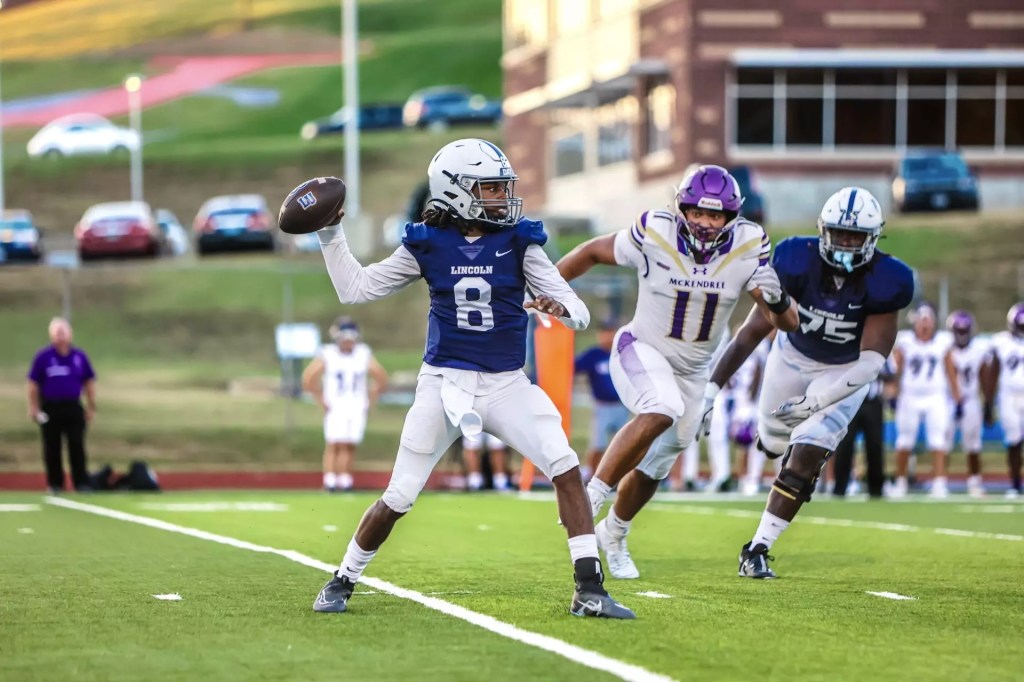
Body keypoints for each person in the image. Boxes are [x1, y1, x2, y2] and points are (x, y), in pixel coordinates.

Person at [310, 138, 634, 618]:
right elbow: (355, 288)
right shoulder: (426, 243)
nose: (501, 198)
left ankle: (589, 587)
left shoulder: (520, 241)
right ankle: (342, 579)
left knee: (565, 465)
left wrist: (558, 306)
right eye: (489, 188)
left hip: (506, 383)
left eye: (502, 188)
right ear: (456, 191)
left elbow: (580, 313)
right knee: (399, 494)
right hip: (445, 383)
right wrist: (329, 236)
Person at [556, 164, 799, 580]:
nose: (706, 223)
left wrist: (778, 302)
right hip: (641, 349)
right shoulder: (655, 231)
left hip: (694, 371)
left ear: (731, 217)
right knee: (660, 406)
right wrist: (548, 286)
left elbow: (788, 324)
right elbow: (593, 251)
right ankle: (591, 494)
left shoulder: (749, 244)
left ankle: (614, 531)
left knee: (660, 462)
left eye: (716, 215)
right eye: (698, 213)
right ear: (681, 209)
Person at [704, 186, 914, 579]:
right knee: (771, 441)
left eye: (857, 237)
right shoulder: (794, 260)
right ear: (823, 231)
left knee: (805, 458)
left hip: (844, 372)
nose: (848, 245)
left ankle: (758, 547)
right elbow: (751, 332)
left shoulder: (889, 279)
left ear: (873, 238)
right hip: (791, 358)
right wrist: (711, 389)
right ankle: (773, 442)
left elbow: (871, 362)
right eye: (841, 234)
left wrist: (820, 402)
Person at [302, 316, 388, 492]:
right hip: (336, 404)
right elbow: (309, 378)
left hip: (356, 405)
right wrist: (320, 399)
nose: (348, 342)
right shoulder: (328, 353)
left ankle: (345, 479)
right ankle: (330, 480)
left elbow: (381, 377)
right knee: (334, 442)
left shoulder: (362, 353)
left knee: (350, 443)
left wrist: (370, 397)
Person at [26, 317, 97, 493]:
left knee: (76, 444)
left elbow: (89, 382)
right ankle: (55, 483)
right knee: (52, 446)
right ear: (51, 335)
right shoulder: (43, 357)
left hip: (73, 406)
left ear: (70, 334)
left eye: (63, 332)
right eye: (57, 333)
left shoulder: (79, 357)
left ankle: (81, 482)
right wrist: (34, 407)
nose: (61, 336)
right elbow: (33, 384)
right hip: (51, 406)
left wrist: (91, 406)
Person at [890, 302, 952, 498]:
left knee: (938, 440)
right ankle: (900, 482)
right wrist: (893, 392)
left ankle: (939, 483)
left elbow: (950, 371)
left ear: (933, 323)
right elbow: (896, 369)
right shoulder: (905, 341)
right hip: (910, 395)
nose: (925, 325)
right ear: (915, 323)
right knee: (904, 440)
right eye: (921, 320)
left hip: (936, 395)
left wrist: (957, 397)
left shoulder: (943, 341)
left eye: (928, 321)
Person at [573, 318, 630, 481]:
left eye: (611, 332)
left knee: (624, 445)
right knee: (598, 444)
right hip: (602, 406)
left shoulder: (623, 353)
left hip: (622, 405)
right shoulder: (594, 355)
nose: (608, 336)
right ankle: (592, 475)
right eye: (605, 332)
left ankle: (619, 477)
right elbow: (573, 368)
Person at [944, 310, 992, 498]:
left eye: (965, 330)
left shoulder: (979, 350)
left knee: (973, 445)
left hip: (971, 400)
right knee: (943, 443)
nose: (962, 334)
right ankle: (941, 481)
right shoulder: (946, 349)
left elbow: (984, 376)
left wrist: (987, 403)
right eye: (959, 330)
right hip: (948, 400)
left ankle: (974, 482)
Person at [830, 355, 893, 499]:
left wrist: (873, 371)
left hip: (872, 402)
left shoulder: (880, 347)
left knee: (875, 445)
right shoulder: (848, 346)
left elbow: (890, 373)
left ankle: (876, 490)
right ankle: (839, 488)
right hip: (848, 400)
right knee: (844, 445)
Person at [985, 302, 1024, 499]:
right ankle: (1015, 484)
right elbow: (993, 372)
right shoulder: (1001, 342)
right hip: (1009, 395)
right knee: (1014, 440)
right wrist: (988, 402)